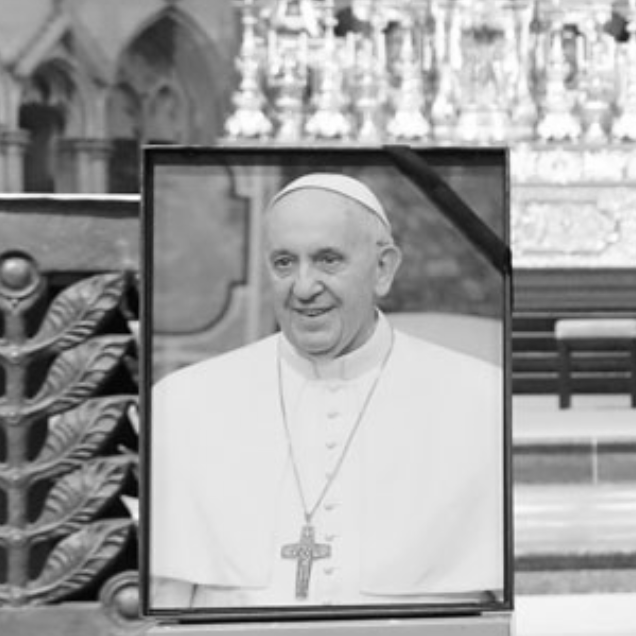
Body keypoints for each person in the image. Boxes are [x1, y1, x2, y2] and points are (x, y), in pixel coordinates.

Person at [145, 171, 505, 609]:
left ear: (383, 269)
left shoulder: (479, 400)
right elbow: (163, 606)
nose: (303, 287)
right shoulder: (182, 403)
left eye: (328, 260)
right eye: (284, 263)